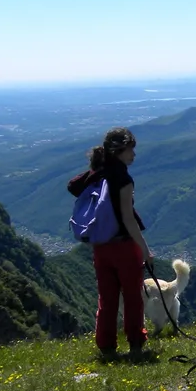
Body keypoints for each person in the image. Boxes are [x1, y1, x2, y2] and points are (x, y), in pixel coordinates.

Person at [68, 127, 153, 360]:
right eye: (130, 150)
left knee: (107, 299)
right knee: (132, 297)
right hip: (124, 247)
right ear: (119, 151)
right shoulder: (123, 179)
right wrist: (145, 250)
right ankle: (136, 342)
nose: (133, 155)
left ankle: (106, 346)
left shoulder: (97, 172)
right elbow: (127, 218)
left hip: (101, 247)